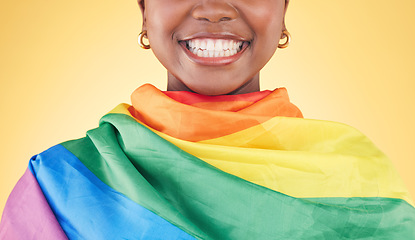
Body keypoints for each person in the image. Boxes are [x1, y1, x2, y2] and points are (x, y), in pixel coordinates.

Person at [1, 0, 414, 239]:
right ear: (144, 11)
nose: (214, 9)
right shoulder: (57, 187)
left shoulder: (360, 187)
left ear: (285, 9)